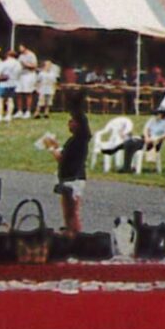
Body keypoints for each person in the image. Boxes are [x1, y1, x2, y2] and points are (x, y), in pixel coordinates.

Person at [53, 96, 91, 238]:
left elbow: (62, 158)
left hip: (73, 178)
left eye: (72, 121)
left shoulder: (78, 141)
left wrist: (52, 149)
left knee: (72, 211)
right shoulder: (74, 140)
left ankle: (75, 233)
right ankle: (69, 230)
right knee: (67, 211)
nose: (69, 124)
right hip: (68, 176)